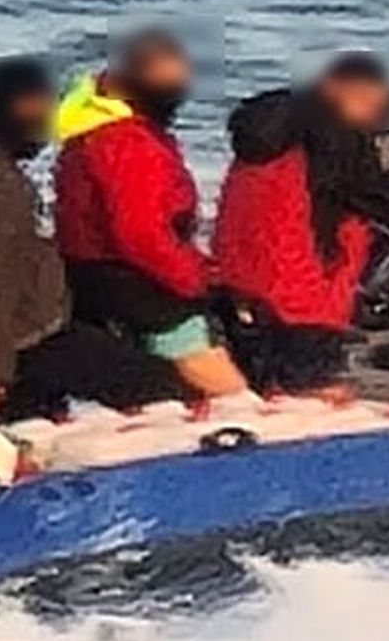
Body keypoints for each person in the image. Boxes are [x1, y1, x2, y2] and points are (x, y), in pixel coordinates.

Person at [0, 58, 186, 419]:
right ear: (15, 108)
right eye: (39, 112)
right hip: (14, 345)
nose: (46, 128)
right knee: (160, 385)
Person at [213, 52, 389, 392]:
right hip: (301, 300)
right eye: (365, 100)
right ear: (334, 89)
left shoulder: (269, 134)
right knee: (313, 400)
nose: (371, 113)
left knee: (260, 395)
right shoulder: (333, 139)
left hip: (239, 285)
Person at [54, 30, 246, 400]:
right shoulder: (126, 141)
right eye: (168, 81)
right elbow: (141, 234)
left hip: (94, 271)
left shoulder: (100, 128)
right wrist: (195, 281)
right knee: (217, 381)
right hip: (127, 276)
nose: (177, 91)